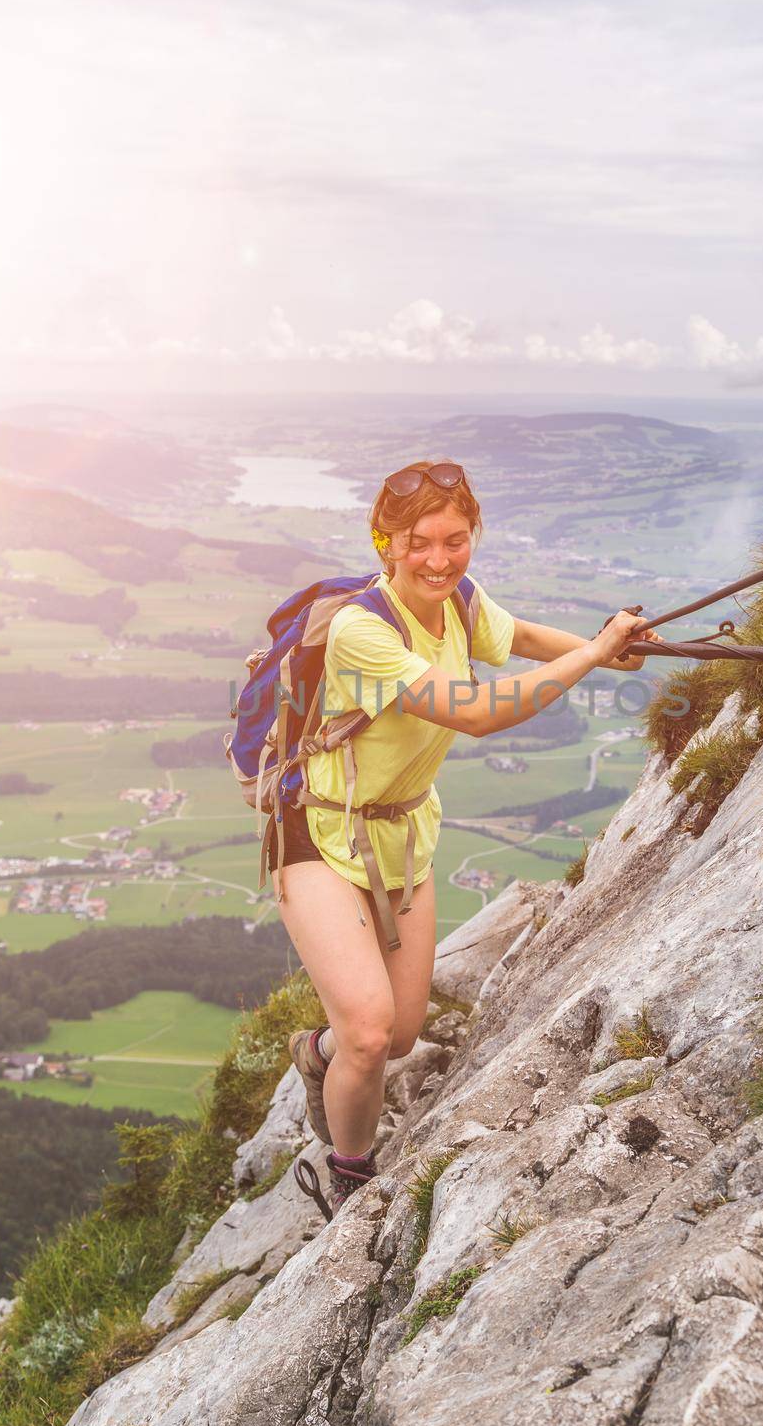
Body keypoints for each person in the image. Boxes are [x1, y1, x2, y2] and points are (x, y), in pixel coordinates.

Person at [277, 458, 663, 1212]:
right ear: (384, 542)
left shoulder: (457, 601)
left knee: (397, 1037)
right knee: (368, 1032)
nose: (438, 559)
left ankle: (312, 1052)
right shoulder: (361, 630)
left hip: (400, 830)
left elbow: (512, 633)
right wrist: (593, 655)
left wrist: (602, 643)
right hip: (321, 834)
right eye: (418, 542)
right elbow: (475, 711)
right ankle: (349, 1179)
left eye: (455, 540)